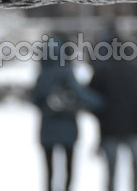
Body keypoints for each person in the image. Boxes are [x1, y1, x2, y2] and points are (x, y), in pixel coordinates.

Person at [29, 35, 102, 191]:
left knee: (49, 170)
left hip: (47, 129)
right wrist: (100, 102)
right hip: (68, 128)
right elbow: (82, 95)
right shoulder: (67, 71)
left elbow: (34, 99)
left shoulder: (42, 74)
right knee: (68, 167)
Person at [89, 35, 137, 191]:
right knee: (136, 168)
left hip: (110, 129)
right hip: (136, 128)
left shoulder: (102, 72)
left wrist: (102, 119)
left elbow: (92, 99)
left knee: (111, 170)